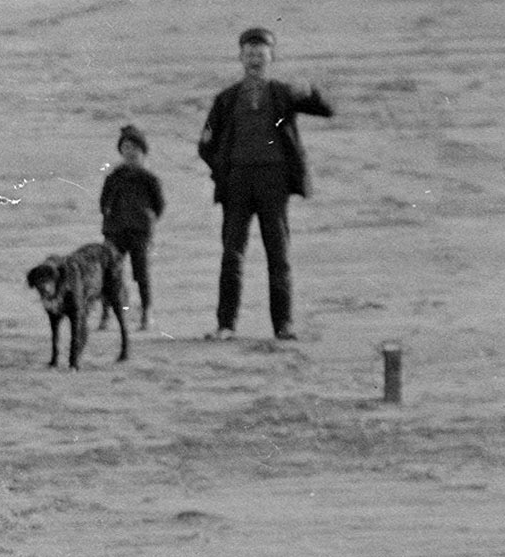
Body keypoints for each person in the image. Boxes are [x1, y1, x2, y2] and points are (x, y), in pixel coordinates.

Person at [196, 26, 333, 341]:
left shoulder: (284, 93)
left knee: (278, 253)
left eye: (261, 54)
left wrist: (310, 91)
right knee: (233, 254)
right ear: (241, 57)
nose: (255, 59)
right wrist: (226, 172)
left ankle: (283, 326)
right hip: (238, 182)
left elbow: (328, 110)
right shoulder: (226, 99)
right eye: (250, 54)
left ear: (271, 57)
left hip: (274, 181)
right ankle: (225, 325)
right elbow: (206, 145)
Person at [98, 124, 165, 331]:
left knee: (141, 274)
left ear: (143, 151)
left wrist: (147, 222)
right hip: (115, 231)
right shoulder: (114, 177)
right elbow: (103, 203)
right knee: (109, 274)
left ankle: (146, 313)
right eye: (126, 147)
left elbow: (159, 205)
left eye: (134, 148)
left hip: (139, 232)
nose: (130, 152)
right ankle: (106, 315)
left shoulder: (149, 179)